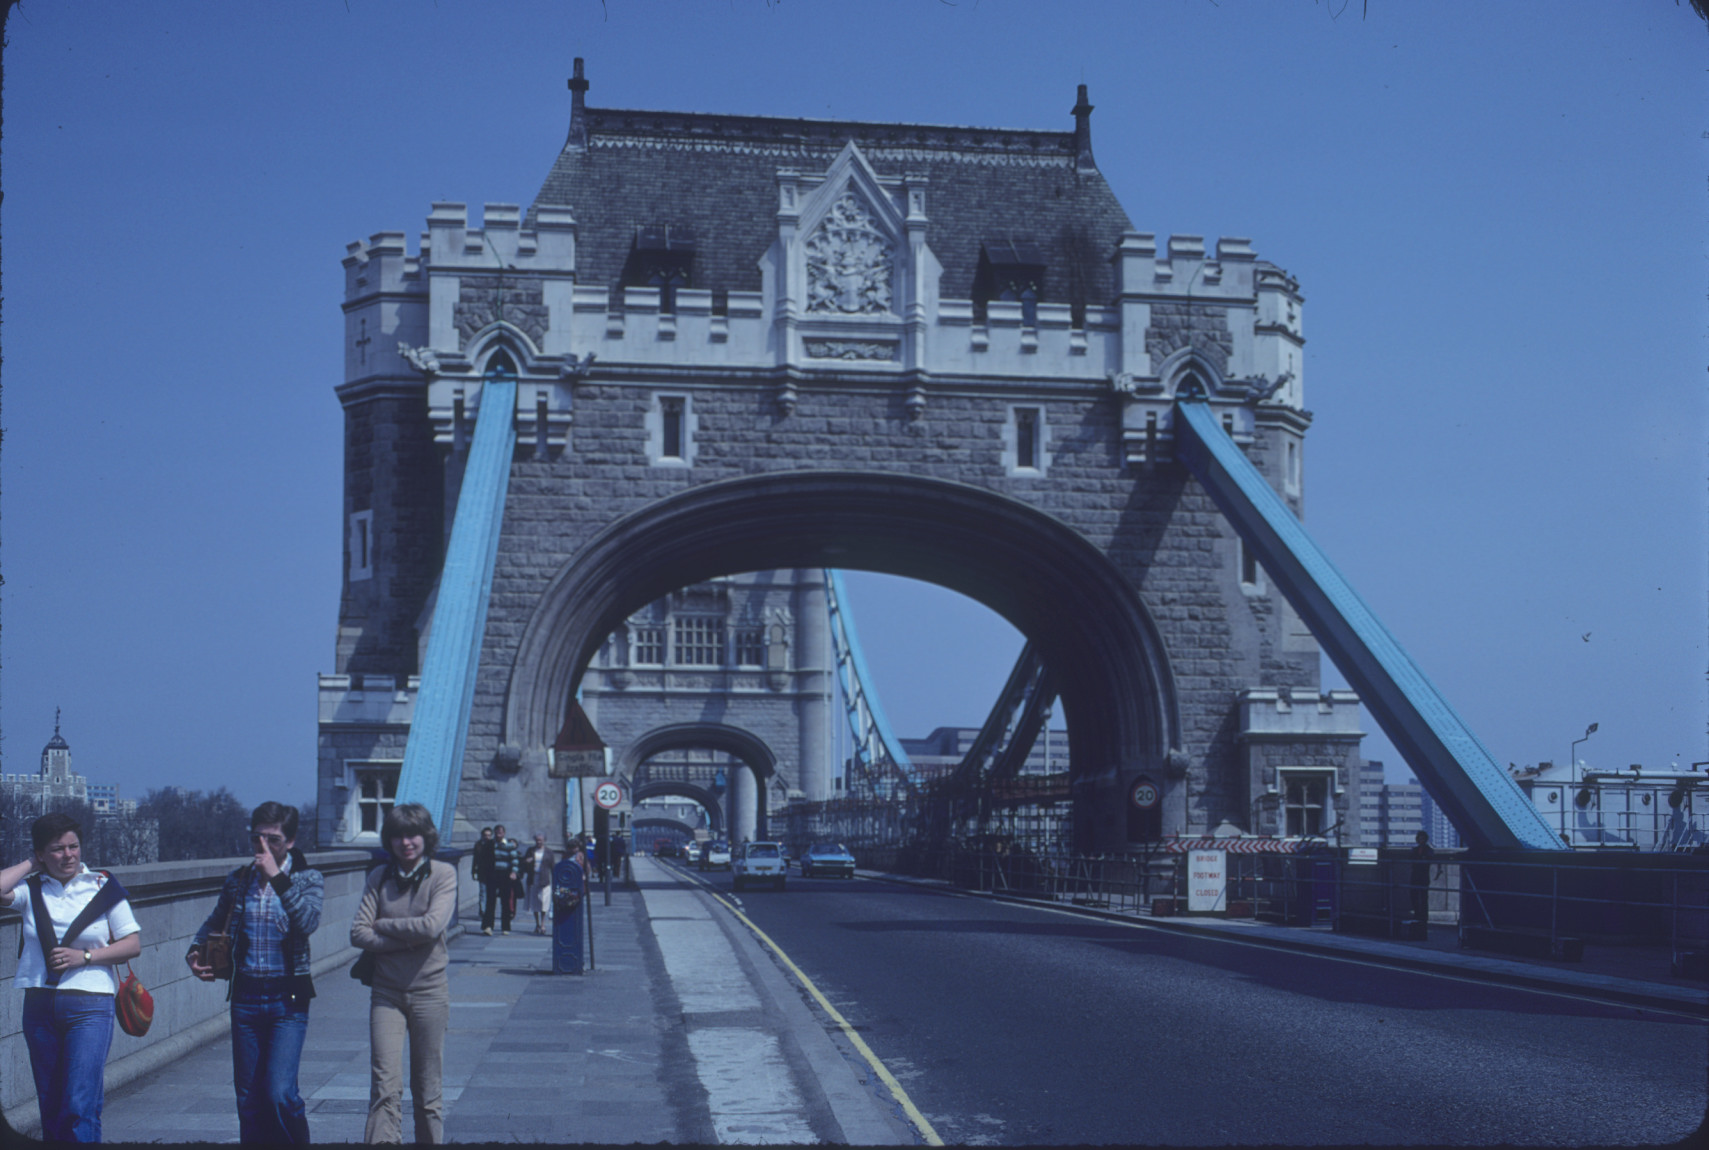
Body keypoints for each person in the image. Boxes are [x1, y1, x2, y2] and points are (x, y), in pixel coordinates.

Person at [0, 812, 143, 1142]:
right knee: (50, 1104)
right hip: (39, 1003)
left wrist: (86, 957)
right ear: (40, 853)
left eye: (73, 846)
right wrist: (30, 865)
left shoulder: (102, 886)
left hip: (90, 1004)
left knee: (80, 1102)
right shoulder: (31, 890)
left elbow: (132, 944)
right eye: (57, 849)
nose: (68, 855)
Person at [188, 801, 324, 1145]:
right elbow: (214, 921)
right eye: (257, 838)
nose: (263, 847)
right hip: (246, 997)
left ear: (290, 841)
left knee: (281, 1093)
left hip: (288, 1001)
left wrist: (276, 878)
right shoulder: (239, 881)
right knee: (249, 1099)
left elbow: (307, 922)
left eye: (273, 840)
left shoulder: (307, 878)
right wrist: (194, 950)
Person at [351, 802, 457, 1144]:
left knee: (427, 1091)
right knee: (384, 1087)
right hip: (386, 993)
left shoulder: (443, 874)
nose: (405, 842)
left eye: (412, 834)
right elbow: (357, 933)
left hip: (429, 994)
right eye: (397, 835)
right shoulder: (378, 877)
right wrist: (408, 940)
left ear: (426, 837)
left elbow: (431, 927)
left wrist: (384, 925)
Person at [485, 825, 521, 936]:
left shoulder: (509, 846)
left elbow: (514, 860)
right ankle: (488, 926)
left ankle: (505, 927)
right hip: (493, 875)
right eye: (496, 833)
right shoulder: (490, 845)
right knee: (490, 900)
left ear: (504, 834)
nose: (498, 835)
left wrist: (514, 872)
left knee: (505, 902)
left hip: (505, 875)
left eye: (500, 833)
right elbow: (484, 859)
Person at [521, 834, 557, 934]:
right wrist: (527, 861)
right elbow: (523, 863)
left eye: (540, 840)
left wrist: (556, 880)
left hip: (545, 879)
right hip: (533, 878)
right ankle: (537, 924)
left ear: (544, 840)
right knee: (534, 902)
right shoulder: (531, 850)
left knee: (544, 901)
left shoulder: (549, 852)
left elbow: (553, 866)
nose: (539, 842)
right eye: (537, 840)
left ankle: (543, 923)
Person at [471, 827, 495, 933]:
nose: (487, 837)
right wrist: (473, 871)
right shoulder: (478, 845)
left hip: (492, 873)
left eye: (489, 835)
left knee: (490, 894)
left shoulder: (494, 845)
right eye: (486, 835)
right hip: (482, 872)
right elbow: (475, 859)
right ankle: (483, 912)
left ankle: (487, 913)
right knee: (482, 892)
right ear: (482, 835)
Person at [1409, 830, 1436, 923]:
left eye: (1423, 838)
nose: (1421, 840)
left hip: (1423, 876)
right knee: (1414, 896)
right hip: (1415, 876)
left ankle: (1424, 917)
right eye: (1420, 838)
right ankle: (1417, 915)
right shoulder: (1415, 850)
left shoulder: (1428, 850)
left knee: (1424, 897)